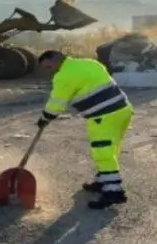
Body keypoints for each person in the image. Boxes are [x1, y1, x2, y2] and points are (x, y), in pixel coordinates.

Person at [36, 50, 134, 209]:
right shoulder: (89, 63)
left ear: (56, 60)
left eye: (48, 67)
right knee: (111, 149)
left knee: (102, 153)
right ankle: (102, 181)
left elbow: (57, 104)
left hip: (104, 116)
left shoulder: (64, 76)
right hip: (123, 111)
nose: (49, 71)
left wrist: (45, 118)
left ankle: (113, 191)